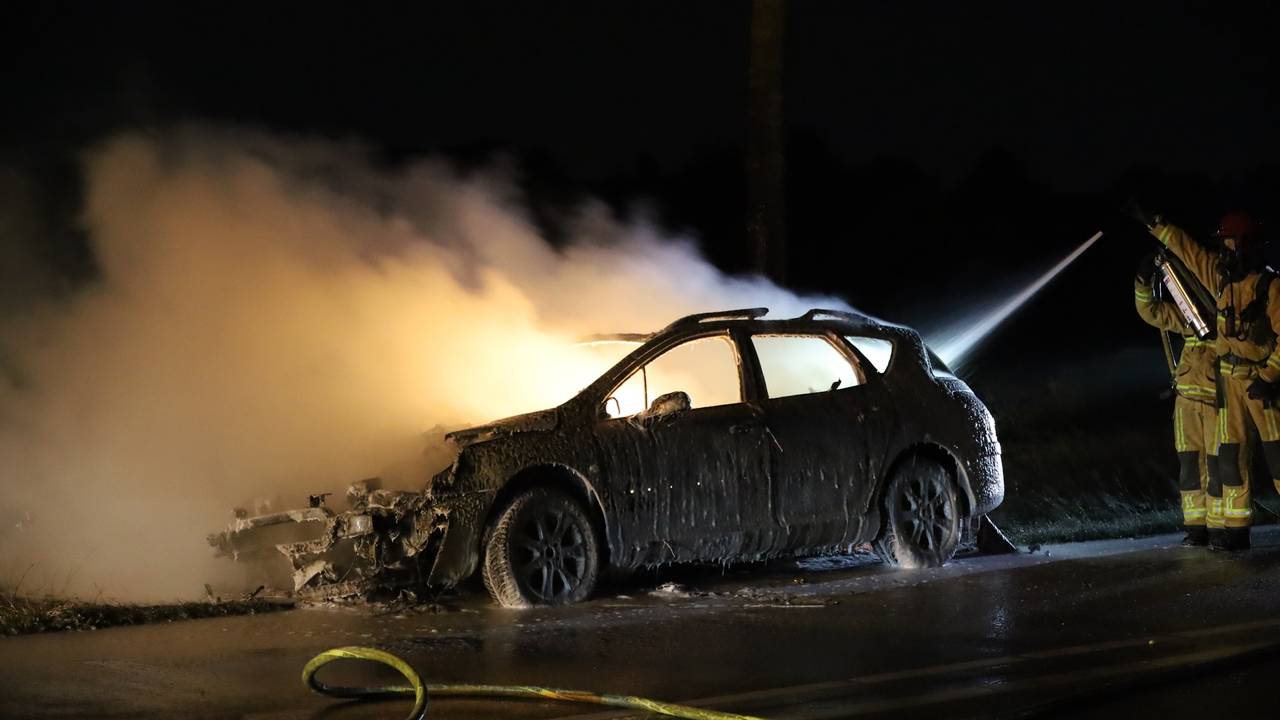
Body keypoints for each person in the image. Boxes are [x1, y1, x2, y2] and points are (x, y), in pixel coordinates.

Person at [1145, 211, 1276, 550]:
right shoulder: (1221, 281)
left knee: (1277, 457)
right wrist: (1157, 224)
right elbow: (1189, 251)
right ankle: (1236, 531)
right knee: (1231, 458)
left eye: (1232, 244)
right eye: (1225, 244)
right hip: (1229, 383)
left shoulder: (1270, 286)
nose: (1227, 252)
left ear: (1249, 246)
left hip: (1261, 382)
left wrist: (1269, 376)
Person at [1134, 254, 1217, 545]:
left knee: (1220, 465)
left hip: (1220, 404)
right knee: (1191, 466)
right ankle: (1196, 527)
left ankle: (1223, 526)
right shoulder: (1191, 316)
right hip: (1186, 403)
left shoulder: (1225, 317)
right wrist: (1144, 281)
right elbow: (1151, 310)